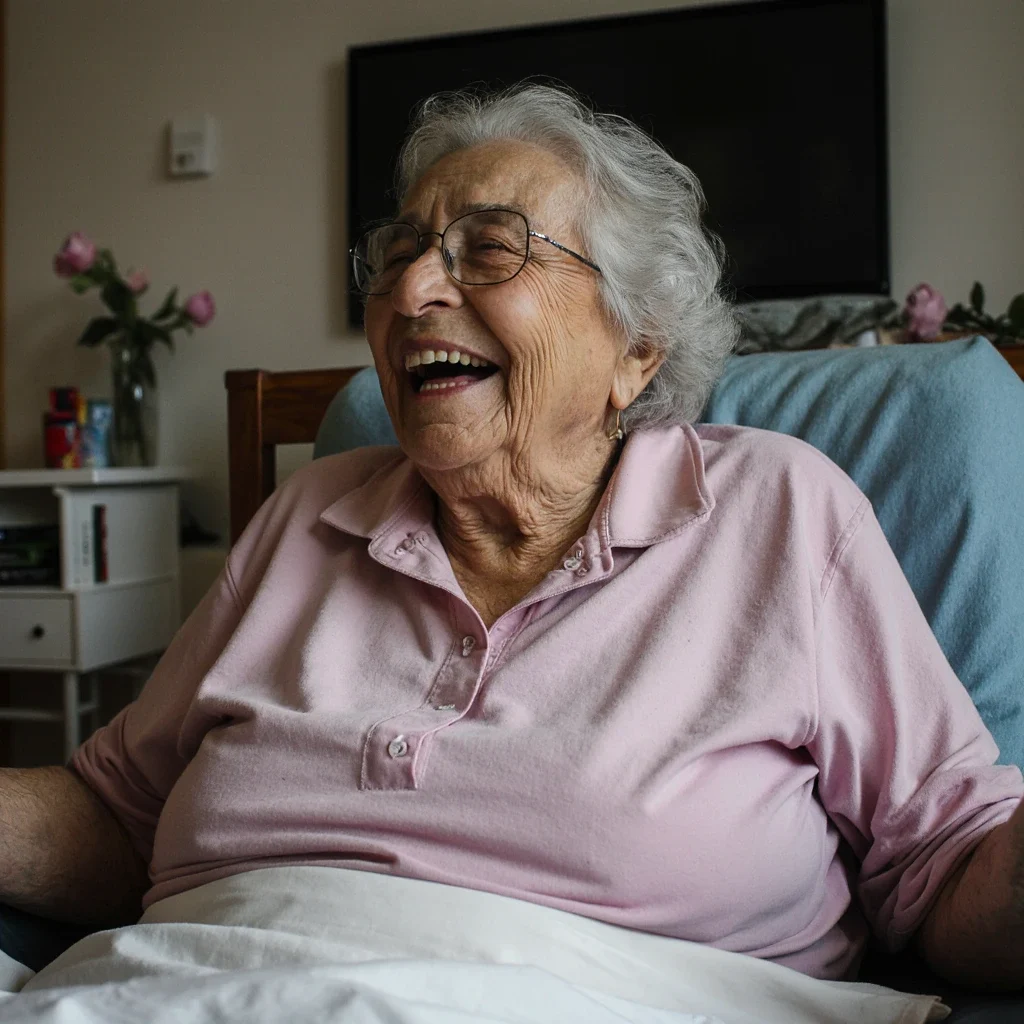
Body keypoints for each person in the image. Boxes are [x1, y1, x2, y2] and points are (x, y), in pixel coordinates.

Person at [2, 83, 1022, 994]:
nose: (411, 293)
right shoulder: (308, 513)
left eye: (488, 249)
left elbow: (948, 862)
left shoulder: (778, 512)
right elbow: (118, 813)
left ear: (636, 348)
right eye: (396, 256)